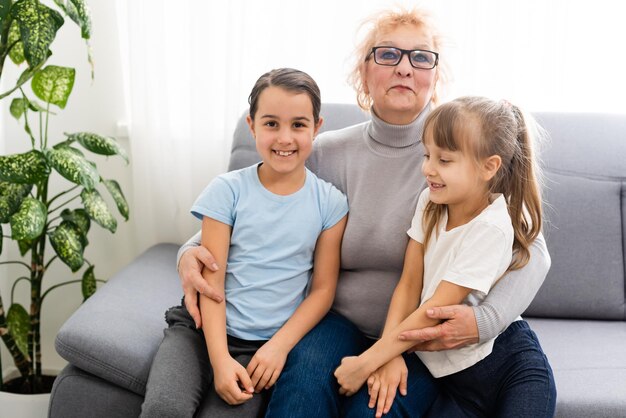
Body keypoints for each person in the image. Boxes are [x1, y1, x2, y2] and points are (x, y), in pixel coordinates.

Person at [177, 7, 553, 417]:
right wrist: (188, 252)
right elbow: (245, 210)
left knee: (375, 410)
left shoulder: (461, 155)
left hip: (415, 338)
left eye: (420, 57)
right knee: (299, 393)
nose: (405, 68)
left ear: (436, 75)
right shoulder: (321, 152)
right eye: (388, 54)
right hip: (336, 320)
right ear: (364, 71)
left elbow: (529, 249)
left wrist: (486, 320)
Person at [140, 68, 348, 417]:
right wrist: (219, 360)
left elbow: (323, 290)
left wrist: (279, 347)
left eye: (298, 125)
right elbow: (211, 280)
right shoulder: (227, 190)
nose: (285, 138)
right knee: (164, 410)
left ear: (317, 127)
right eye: (271, 124)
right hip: (200, 330)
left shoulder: (330, 204)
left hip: (262, 346)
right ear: (252, 126)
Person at [334, 96, 556, 417]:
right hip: (453, 377)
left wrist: (365, 363)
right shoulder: (430, 201)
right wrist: (387, 355)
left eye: (444, 160)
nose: (428, 169)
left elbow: (435, 310)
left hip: (508, 366)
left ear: (489, 167)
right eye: (427, 155)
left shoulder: (492, 226)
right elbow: (409, 284)